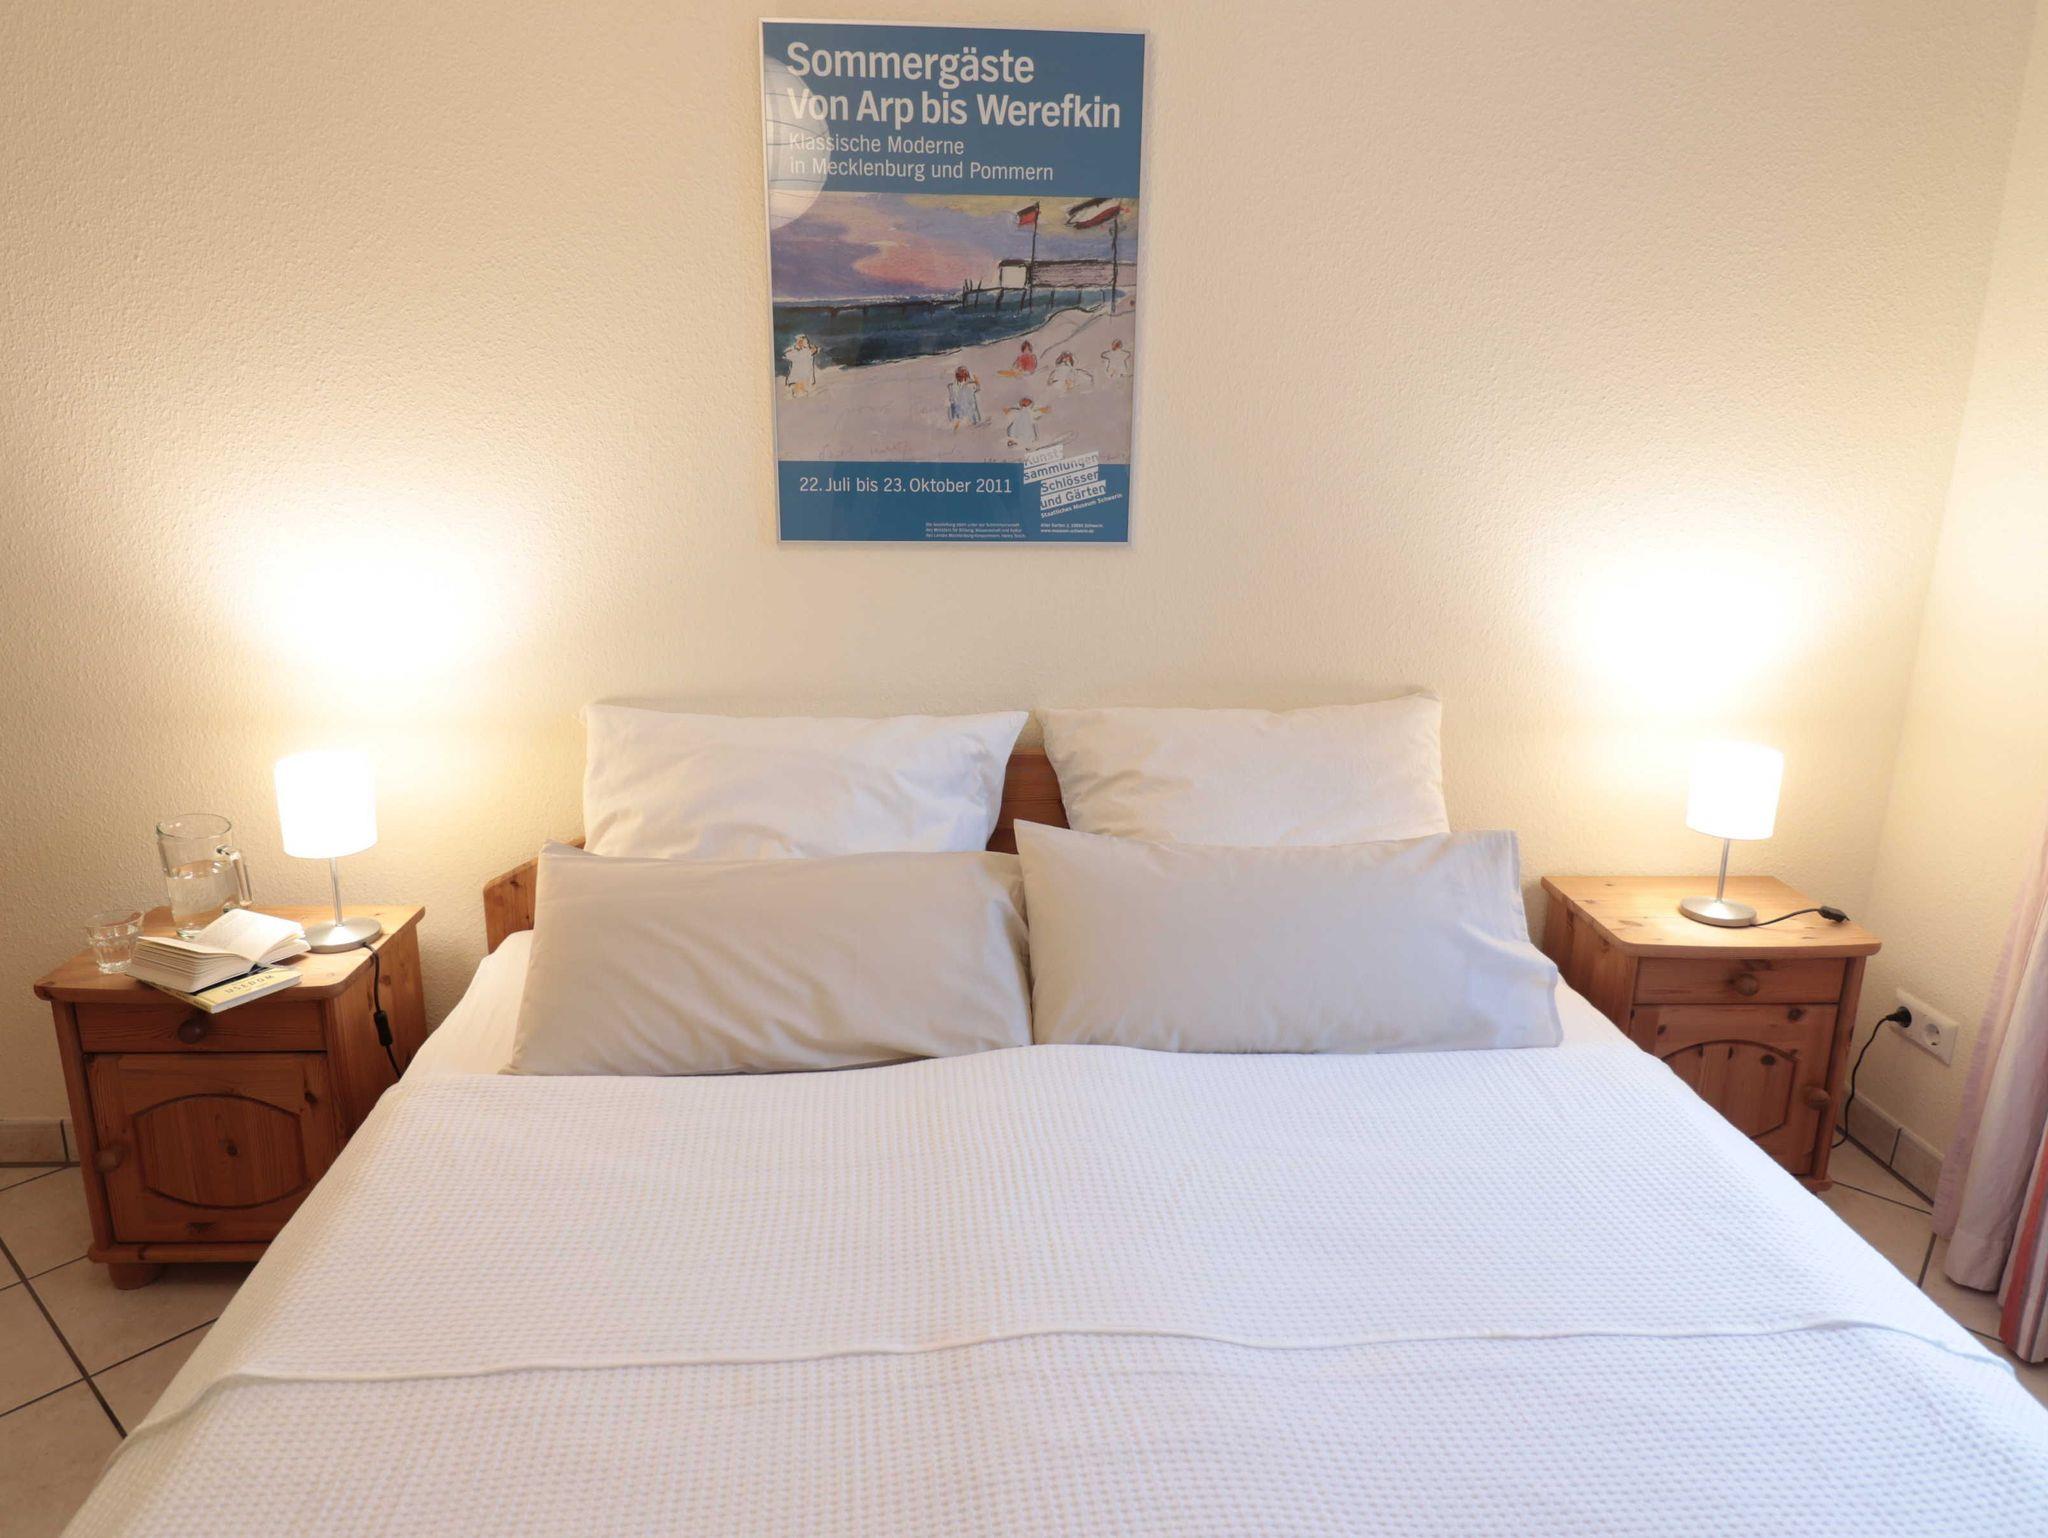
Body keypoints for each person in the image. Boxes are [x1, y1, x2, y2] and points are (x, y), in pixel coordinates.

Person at [946, 365, 983, 429]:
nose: (961, 377)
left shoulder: (969, 385)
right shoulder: (953, 387)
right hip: (962, 414)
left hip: (968, 414)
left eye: (963, 375)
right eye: (960, 375)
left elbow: (977, 387)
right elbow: (952, 403)